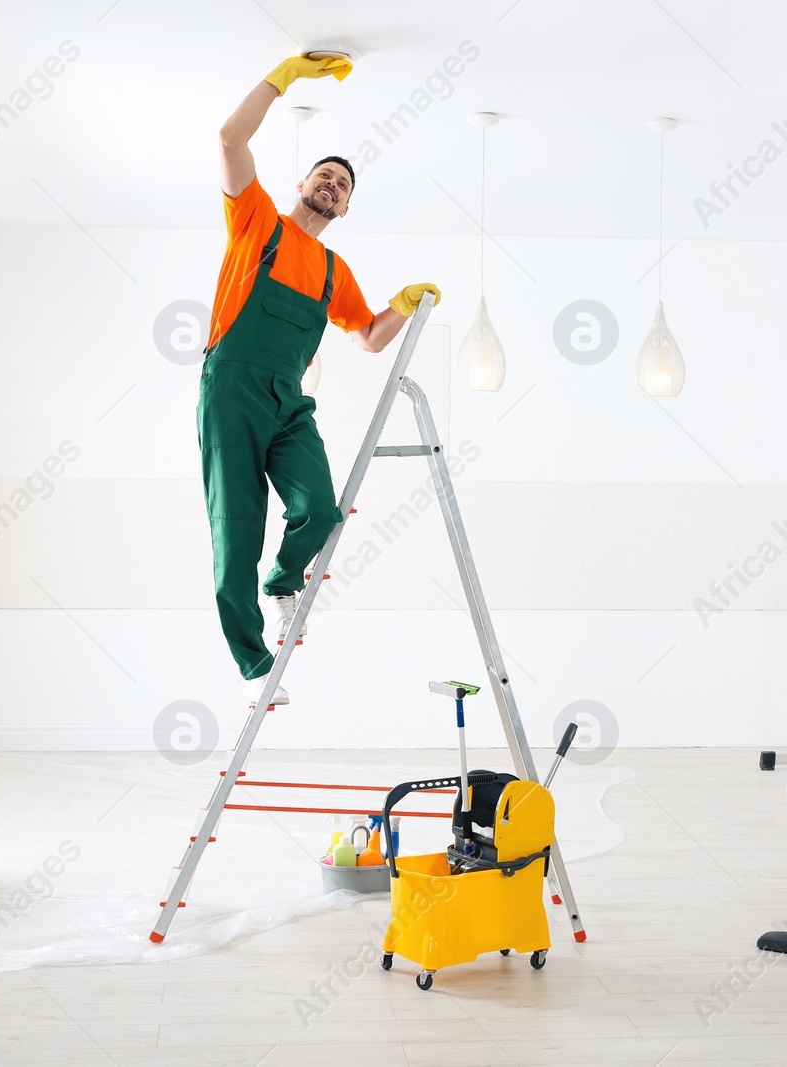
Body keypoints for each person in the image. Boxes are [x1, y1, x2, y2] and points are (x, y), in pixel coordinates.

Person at [204, 53, 441, 707]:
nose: (333, 185)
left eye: (343, 185)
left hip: (288, 398)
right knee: (237, 529)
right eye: (326, 175)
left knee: (320, 508)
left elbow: (367, 336)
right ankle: (255, 664)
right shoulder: (255, 222)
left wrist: (404, 301)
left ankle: (285, 579)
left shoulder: (335, 271)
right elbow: (230, 138)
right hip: (231, 387)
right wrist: (283, 77)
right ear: (303, 182)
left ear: (346, 206)